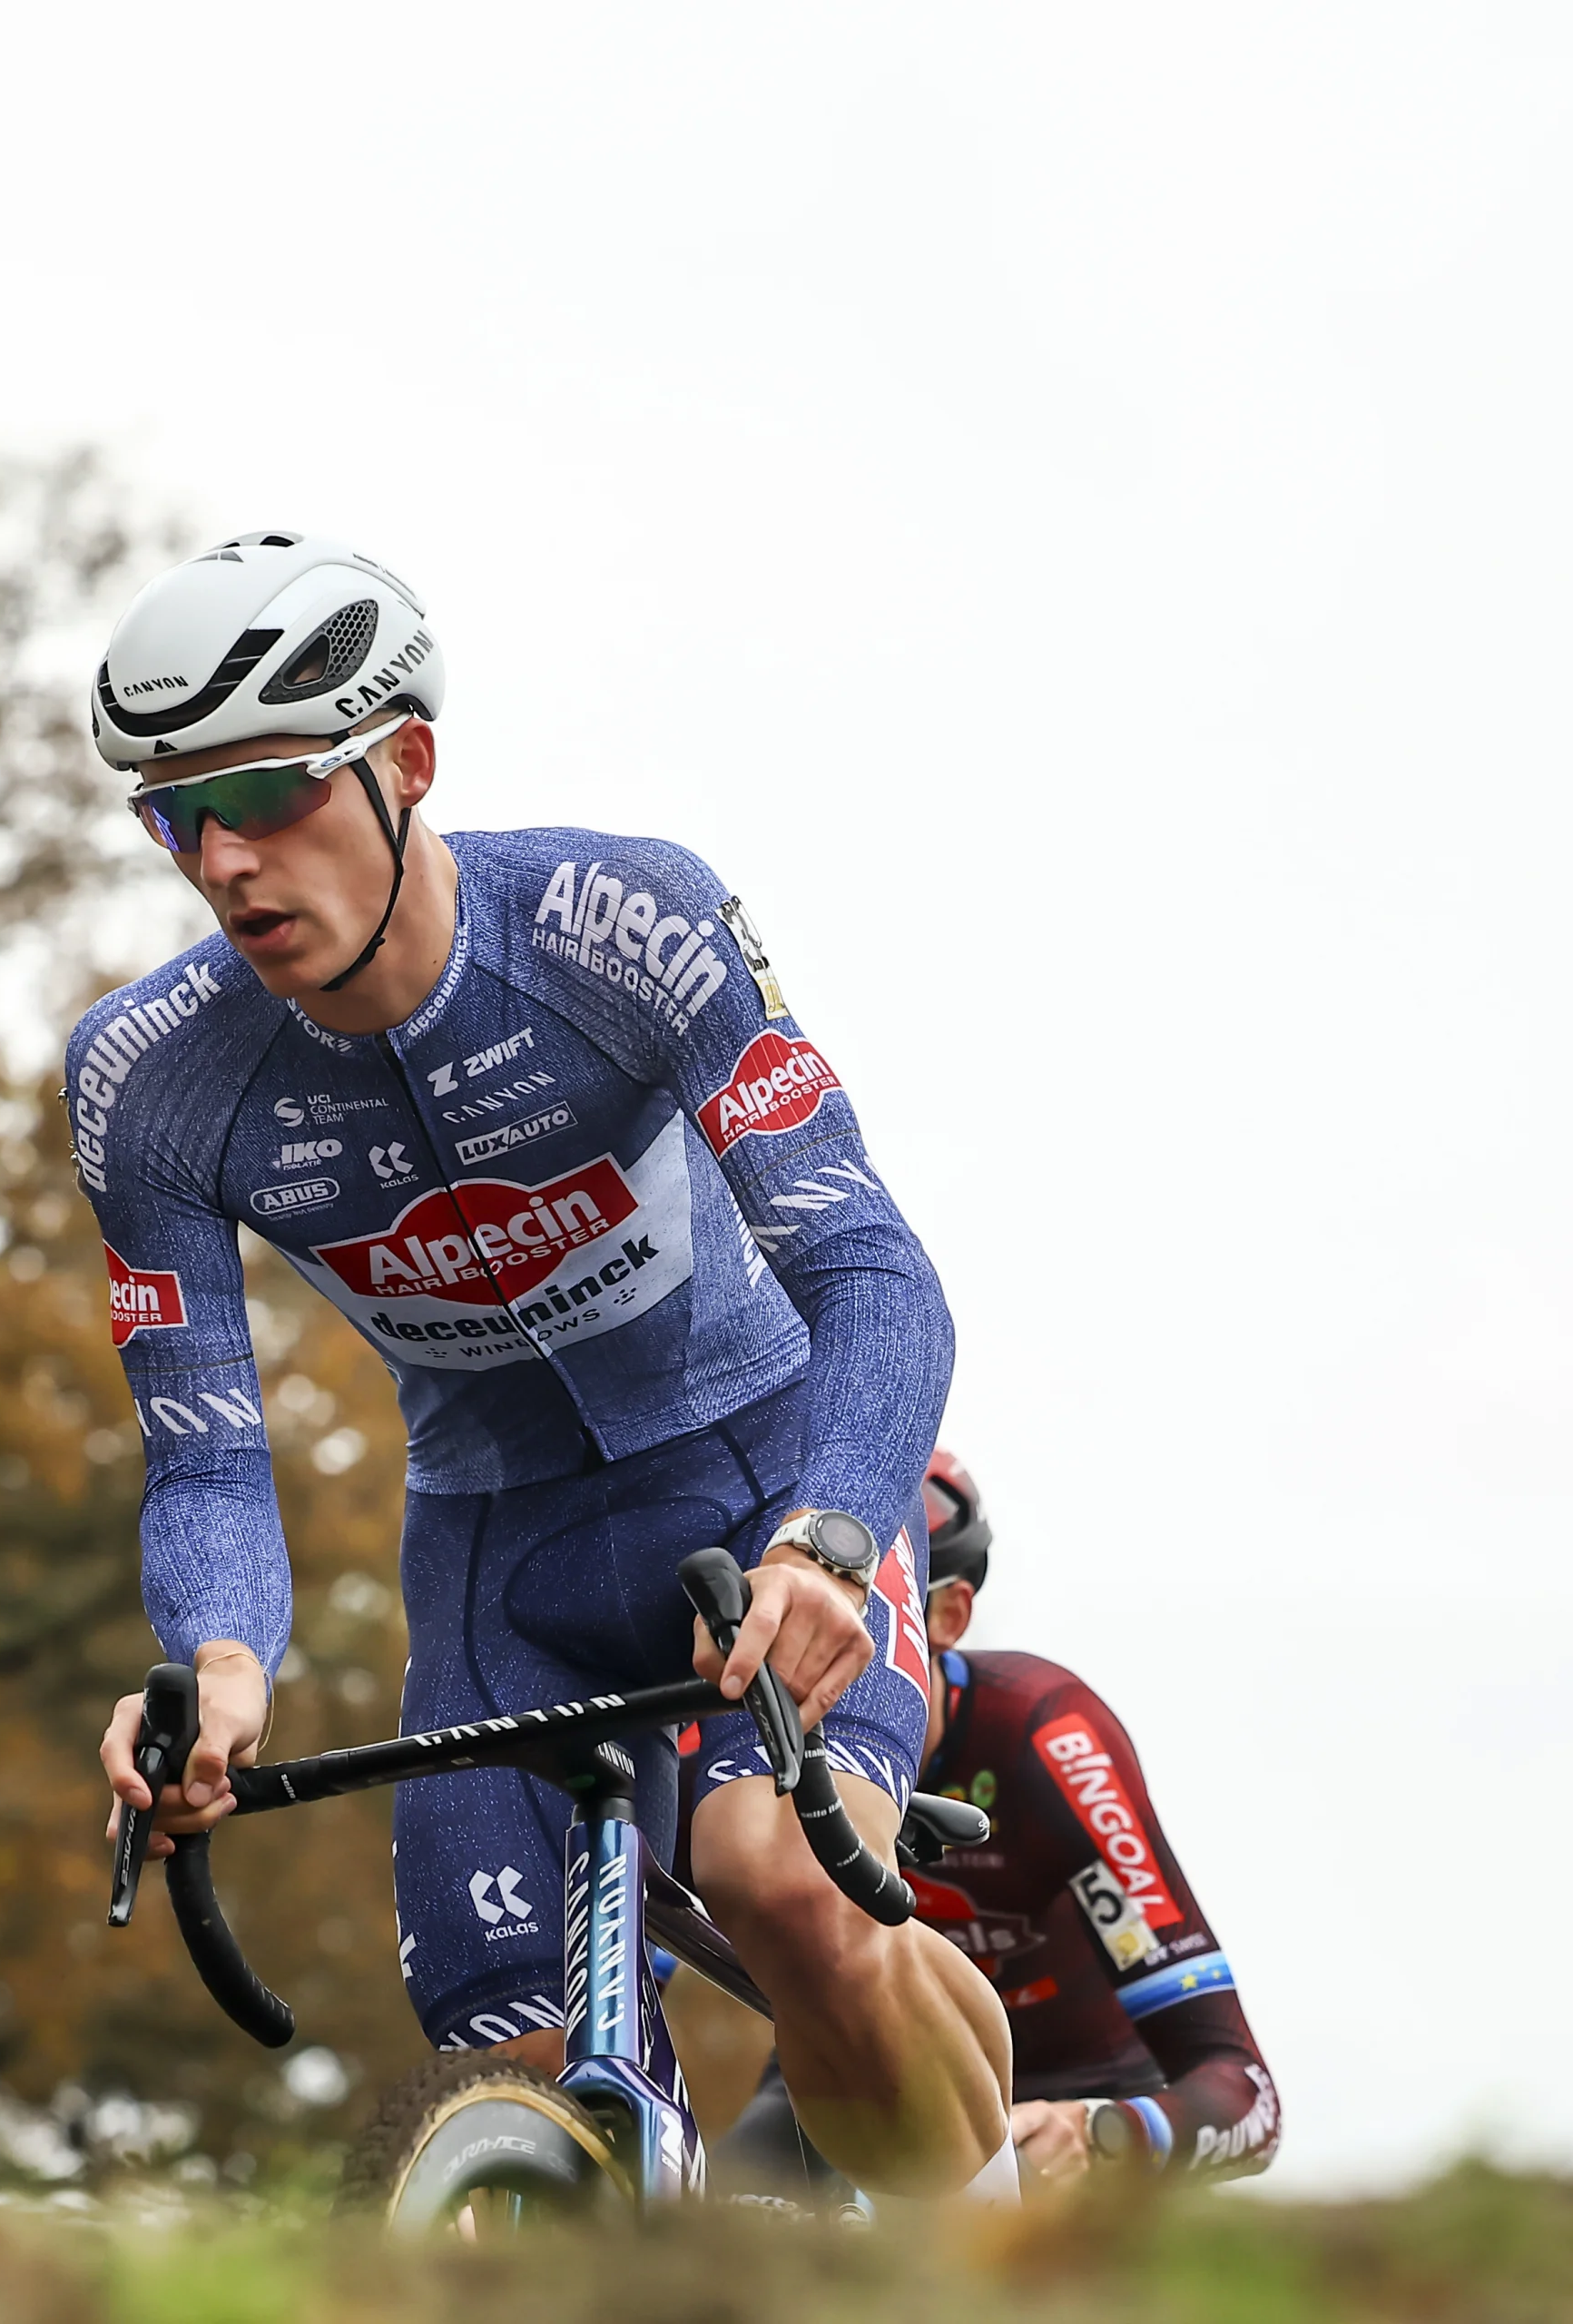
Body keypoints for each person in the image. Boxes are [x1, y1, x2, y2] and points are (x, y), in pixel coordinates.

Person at [78, 533, 1009, 2195]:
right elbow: (207, 1452)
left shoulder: (615, 923)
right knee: (501, 2058)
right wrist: (218, 1673)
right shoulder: (149, 1081)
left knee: (778, 1880)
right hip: (501, 1567)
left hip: (760, 1488)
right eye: (177, 815)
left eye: (272, 793)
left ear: (406, 764)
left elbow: (873, 1269)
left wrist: (833, 1533)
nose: (224, 863)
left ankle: (995, 2249)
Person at [719, 1451, 1281, 2190]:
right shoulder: (747, 1730)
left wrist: (1106, 2132)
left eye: (872, 1616)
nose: (815, 1648)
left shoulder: (1044, 1735)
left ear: (947, 1616)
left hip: (1070, 2102)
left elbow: (1247, 2096)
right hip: (861, 2081)